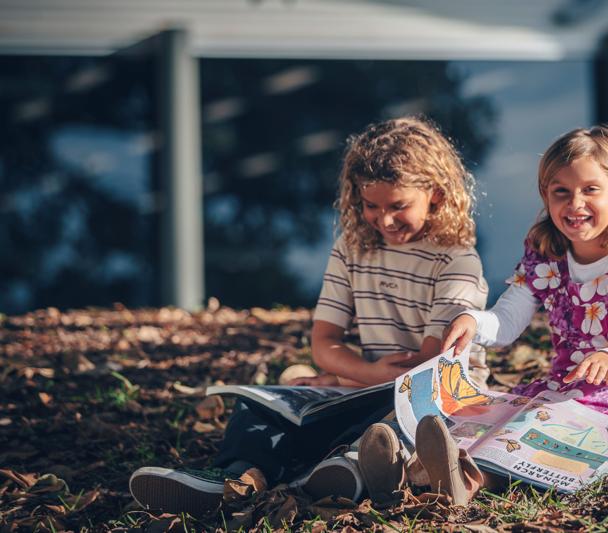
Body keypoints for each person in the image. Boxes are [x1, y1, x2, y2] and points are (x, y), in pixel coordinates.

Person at [128, 116, 489, 515]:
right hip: (369, 385)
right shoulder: (352, 251)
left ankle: (350, 465)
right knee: (261, 405)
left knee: (390, 415)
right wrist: (357, 376)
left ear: (436, 195)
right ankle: (239, 477)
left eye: (398, 206)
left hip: (432, 400)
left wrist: (354, 376)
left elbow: (430, 365)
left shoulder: (456, 260)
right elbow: (324, 342)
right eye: (371, 206)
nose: (384, 220)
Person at [406, 124, 608, 505]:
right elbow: (508, 319)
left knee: (554, 425)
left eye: (591, 190)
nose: (575, 204)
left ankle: (470, 479)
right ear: (546, 195)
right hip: (568, 380)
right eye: (562, 192)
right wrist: (474, 321)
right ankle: (412, 465)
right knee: (508, 412)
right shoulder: (547, 251)